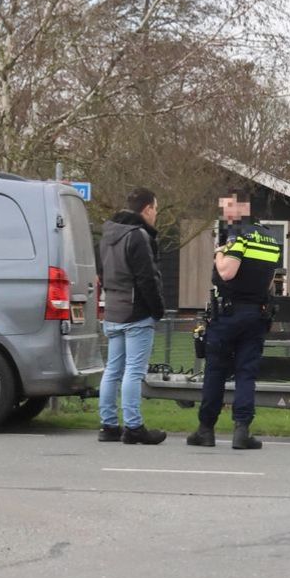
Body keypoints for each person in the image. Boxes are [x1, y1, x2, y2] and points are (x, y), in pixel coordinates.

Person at [188, 199, 281, 451]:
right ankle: (242, 431)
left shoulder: (238, 235)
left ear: (241, 210)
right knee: (246, 373)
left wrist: (218, 253)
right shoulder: (271, 240)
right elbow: (270, 280)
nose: (225, 214)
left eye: (228, 209)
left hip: (228, 315)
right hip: (256, 315)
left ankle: (205, 429)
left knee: (215, 371)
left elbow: (228, 272)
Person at [97, 187, 167, 445]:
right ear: (147, 208)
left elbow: (102, 272)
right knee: (134, 372)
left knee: (112, 369)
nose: (156, 215)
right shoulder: (137, 236)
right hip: (136, 311)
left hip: (113, 309)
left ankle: (108, 426)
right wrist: (157, 309)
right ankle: (134, 427)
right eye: (156, 209)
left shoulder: (107, 235)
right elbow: (147, 278)